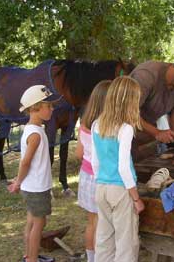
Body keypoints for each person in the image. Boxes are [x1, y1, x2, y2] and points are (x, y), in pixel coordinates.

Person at [91, 76, 145, 262]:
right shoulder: (125, 128)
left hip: (101, 187)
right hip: (120, 190)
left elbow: (95, 161)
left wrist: (101, 180)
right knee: (126, 244)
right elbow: (124, 168)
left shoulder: (96, 124)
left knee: (104, 240)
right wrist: (136, 198)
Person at [8, 85, 56, 262]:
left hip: (33, 186)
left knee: (31, 221)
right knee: (39, 223)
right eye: (48, 106)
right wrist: (17, 182)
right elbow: (25, 162)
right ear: (36, 107)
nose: (52, 109)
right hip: (36, 187)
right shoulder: (35, 134)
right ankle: (33, 259)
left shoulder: (34, 129)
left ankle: (29, 256)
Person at [75, 80, 111, 262]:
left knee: (92, 222)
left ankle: (91, 258)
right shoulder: (107, 127)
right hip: (101, 179)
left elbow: (78, 153)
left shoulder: (84, 124)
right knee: (103, 223)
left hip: (86, 177)